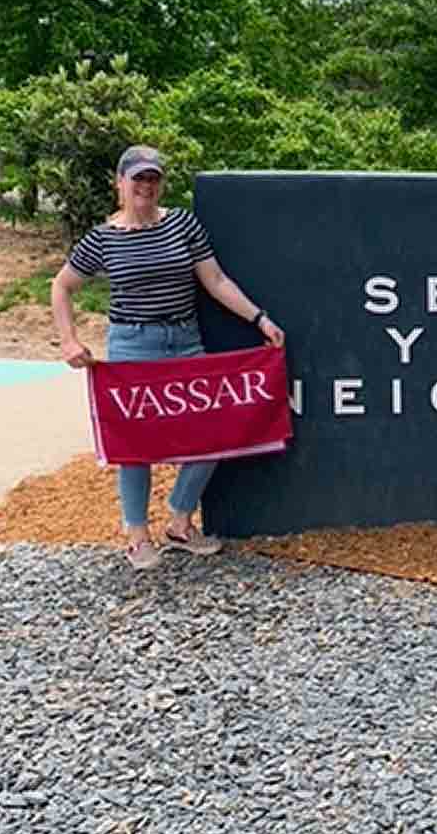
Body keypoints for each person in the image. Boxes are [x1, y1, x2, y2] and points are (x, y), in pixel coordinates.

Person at [51, 145, 286, 571]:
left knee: (212, 432)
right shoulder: (102, 239)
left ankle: (180, 520)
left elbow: (214, 280)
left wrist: (259, 318)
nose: (146, 186)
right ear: (120, 184)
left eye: (152, 179)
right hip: (132, 344)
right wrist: (68, 340)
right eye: (137, 179)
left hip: (185, 340)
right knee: (134, 444)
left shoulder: (182, 224)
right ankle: (137, 536)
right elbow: (62, 286)